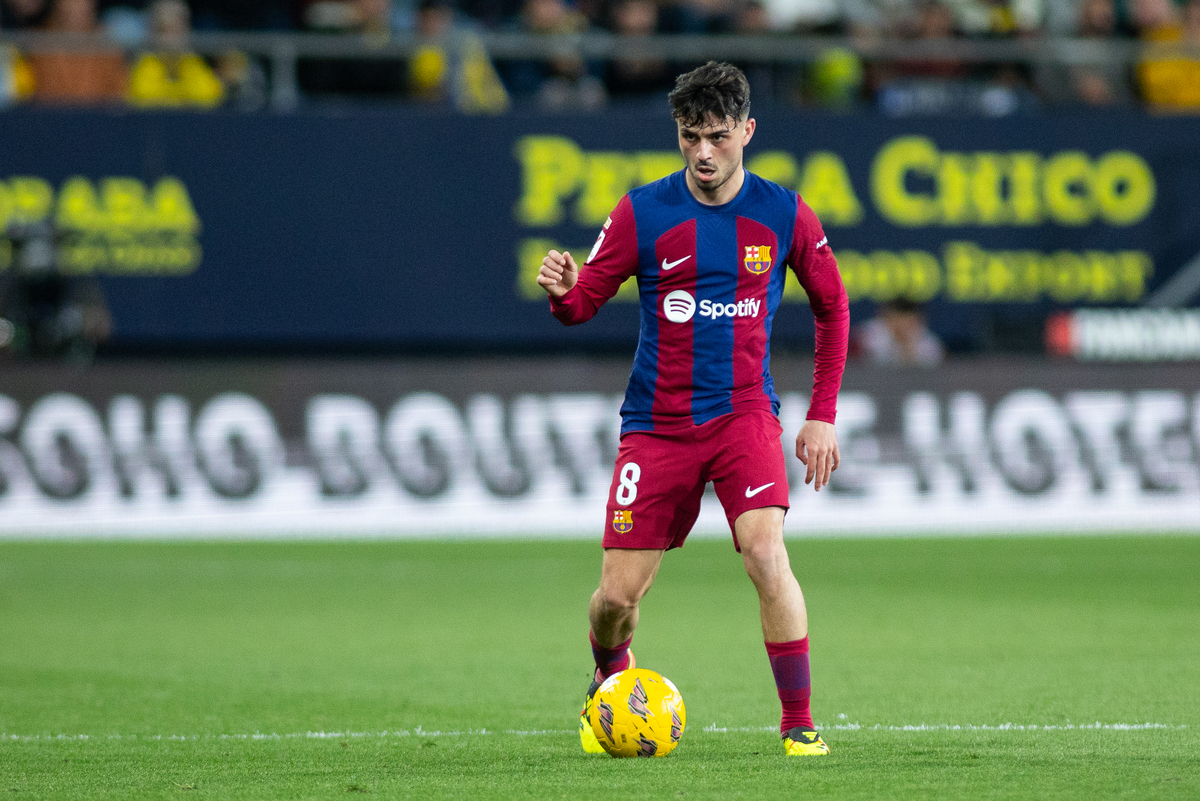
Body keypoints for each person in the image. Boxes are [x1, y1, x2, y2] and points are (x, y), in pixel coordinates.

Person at [537, 61, 849, 757]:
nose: (703, 153)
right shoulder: (642, 212)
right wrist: (564, 290)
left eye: (716, 136)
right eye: (689, 136)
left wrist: (821, 411)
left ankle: (798, 721)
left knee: (767, 553)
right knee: (617, 598)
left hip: (744, 417)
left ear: (746, 130)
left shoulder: (784, 213)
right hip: (657, 426)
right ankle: (612, 674)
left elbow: (833, 306)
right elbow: (583, 302)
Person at [128, 0, 226, 109]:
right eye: (164, 30)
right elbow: (143, 98)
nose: (171, 39)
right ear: (153, 32)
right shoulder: (145, 63)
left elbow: (209, 96)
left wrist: (169, 99)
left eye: (176, 30)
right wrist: (183, 100)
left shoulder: (192, 62)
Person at [27, 0, 126, 105]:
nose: (79, 7)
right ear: (58, 5)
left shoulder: (108, 46)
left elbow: (116, 99)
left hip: (97, 118)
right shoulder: (39, 44)